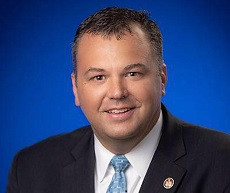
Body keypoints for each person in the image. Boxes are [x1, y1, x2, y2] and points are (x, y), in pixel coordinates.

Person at [7, 7, 230, 193]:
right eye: (98, 77)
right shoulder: (30, 169)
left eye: (132, 73)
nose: (117, 92)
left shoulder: (223, 162)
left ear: (162, 79)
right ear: (76, 88)